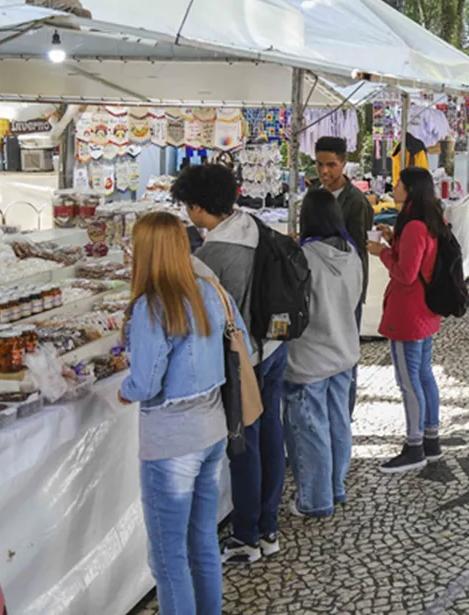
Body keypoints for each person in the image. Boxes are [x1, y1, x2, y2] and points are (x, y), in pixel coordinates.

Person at [118, 211, 251, 614]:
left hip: (172, 442)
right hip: (211, 430)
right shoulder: (209, 290)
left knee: (168, 557)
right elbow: (240, 342)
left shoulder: (152, 306)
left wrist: (124, 392)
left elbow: (145, 383)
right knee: (202, 542)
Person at [170, 164, 287, 565]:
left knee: (244, 445)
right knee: (271, 434)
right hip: (275, 345)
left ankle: (245, 537)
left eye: (187, 206)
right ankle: (268, 527)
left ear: (198, 207)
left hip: (247, 357)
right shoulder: (252, 225)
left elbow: (203, 315)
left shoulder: (212, 255)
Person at [284, 189, 363, 517]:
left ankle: (315, 500)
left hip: (309, 359)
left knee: (311, 429)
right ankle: (335, 486)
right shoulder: (352, 254)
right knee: (338, 421)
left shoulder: (304, 257)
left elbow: (296, 308)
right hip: (343, 352)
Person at [367, 168, 446, 474]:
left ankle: (414, 445)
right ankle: (430, 439)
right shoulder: (426, 218)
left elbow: (406, 273)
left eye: (398, 183)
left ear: (410, 189)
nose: (393, 186)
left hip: (409, 312)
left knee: (409, 379)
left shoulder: (414, 224)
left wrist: (383, 253)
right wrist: (393, 238)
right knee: (423, 374)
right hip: (423, 311)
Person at [313, 136, 374, 417]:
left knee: (346, 354)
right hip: (318, 289)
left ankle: (343, 415)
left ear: (343, 164)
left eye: (331, 165)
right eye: (319, 165)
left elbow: (358, 250)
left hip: (346, 289)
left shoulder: (356, 202)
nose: (325, 171)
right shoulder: (314, 194)